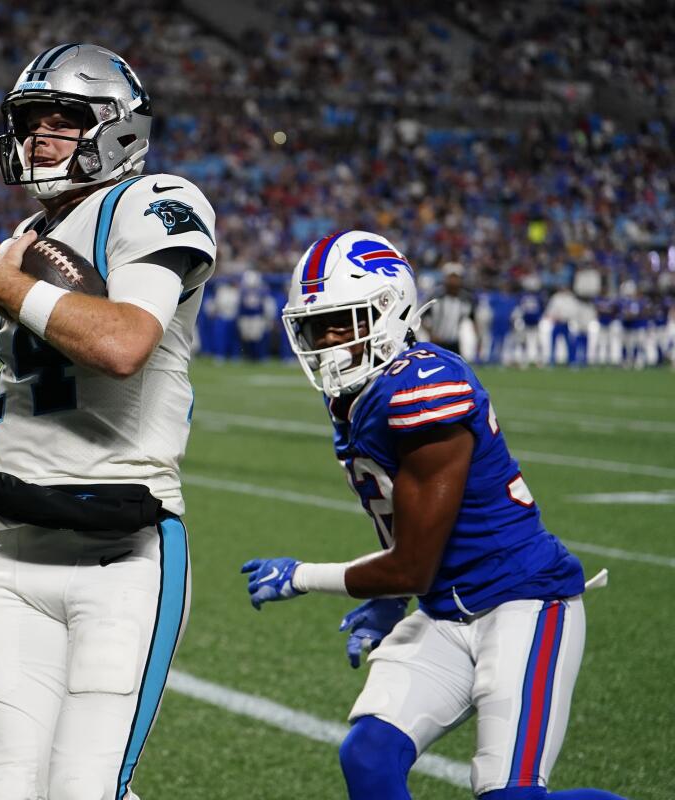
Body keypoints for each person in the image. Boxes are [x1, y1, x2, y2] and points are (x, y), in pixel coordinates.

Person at [0, 44, 216, 800]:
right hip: (17, 551)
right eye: (31, 122)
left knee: (85, 790)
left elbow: (122, 345)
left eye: (64, 121)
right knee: (11, 786)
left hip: (122, 553)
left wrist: (14, 290)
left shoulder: (153, 201)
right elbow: (59, 374)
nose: (41, 138)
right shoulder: (33, 229)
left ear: (116, 129)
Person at [241, 230, 625, 800]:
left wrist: (301, 576)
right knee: (369, 758)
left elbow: (412, 566)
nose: (328, 341)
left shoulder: (424, 387)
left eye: (345, 322)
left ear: (390, 312)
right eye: (318, 327)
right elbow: (408, 529)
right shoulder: (356, 392)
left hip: (521, 600)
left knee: (510, 795)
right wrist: (392, 598)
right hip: (447, 608)